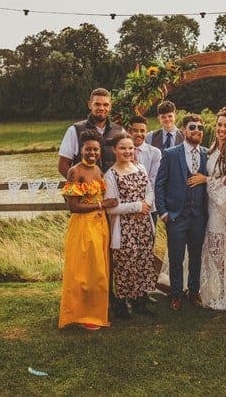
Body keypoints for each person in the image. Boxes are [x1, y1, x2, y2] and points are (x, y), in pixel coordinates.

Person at [58, 130, 119, 330]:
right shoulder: (75, 171)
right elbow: (73, 206)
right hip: (83, 226)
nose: (91, 152)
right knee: (83, 273)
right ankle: (82, 315)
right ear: (81, 150)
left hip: (99, 226)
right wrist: (102, 205)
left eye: (95, 149)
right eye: (87, 149)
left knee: (98, 272)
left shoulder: (98, 171)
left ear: (100, 151)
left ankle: (96, 313)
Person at [155, 114, 209, 311]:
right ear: (184, 130)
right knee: (176, 258)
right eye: (192, 127)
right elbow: (159, 185)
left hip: (199, 217)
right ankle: (176, 294)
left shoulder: (207, 154)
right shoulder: (170, 154)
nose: (196, 131)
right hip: (176, 216)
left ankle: (193, 292)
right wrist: (163, 212)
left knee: (196, 256)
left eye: (200, 128)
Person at [195, 107, 226, 311]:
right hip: (210, 204)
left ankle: (225, 294)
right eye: (219, 125)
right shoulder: (216, 144)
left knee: (219, 250)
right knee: (211, 248)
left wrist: (204, 180)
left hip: (221, 207)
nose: (221, 129)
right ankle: (213, 290)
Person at [103, 132, 157, 317]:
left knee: (143, 263)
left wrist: (147, 204)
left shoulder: (140, 168)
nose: (127, 152)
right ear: (114, 150)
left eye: (130, 148)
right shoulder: (110, 175)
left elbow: (150, 191)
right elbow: (111, 208)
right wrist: (136, 206)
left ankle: (141, 303)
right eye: (123, 148)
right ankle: (123, 305)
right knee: (127, 266)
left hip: (143, 226)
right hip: (125, 229)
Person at [57, 88, 124, 177]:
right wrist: (78, 186)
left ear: (110, 106)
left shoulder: (120, 131)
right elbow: (63, 165)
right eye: (97, 104)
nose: (101, 108)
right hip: (86, 190)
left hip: (113, 189)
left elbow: (127, 161)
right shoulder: (74, 130)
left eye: (105, 105)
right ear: (90, 105)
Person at [129, 115, 161, 222]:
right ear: (129, 131)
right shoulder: (123, 152)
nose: (139, 134)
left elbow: (153, 180)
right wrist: (134, 204)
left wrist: (145, 203)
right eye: (135, 131)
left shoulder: (154, 153)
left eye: (142, 131)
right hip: (128, 205)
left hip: (148, 205)